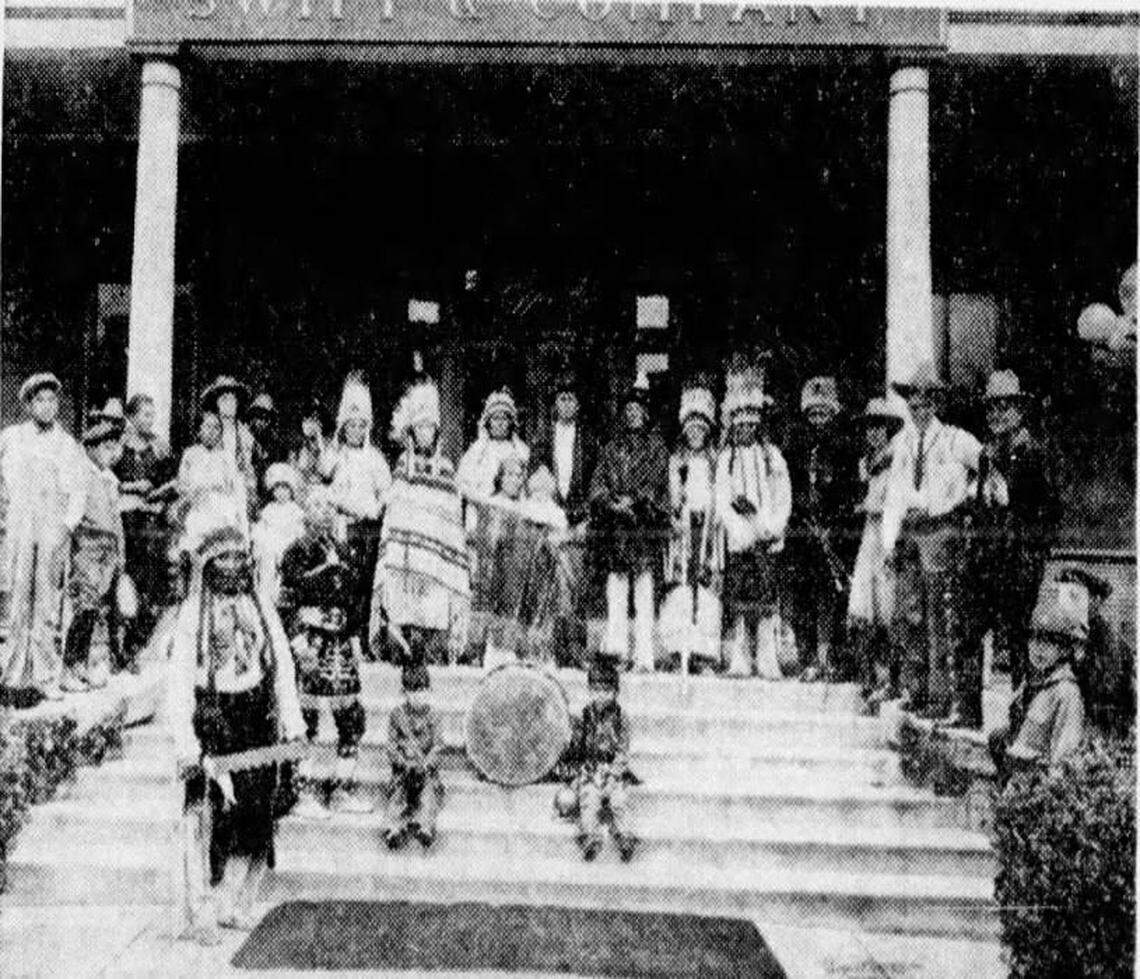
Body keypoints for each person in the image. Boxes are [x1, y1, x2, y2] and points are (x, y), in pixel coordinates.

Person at [167, 521, 305, 941]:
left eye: (237, 557)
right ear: (207, 565)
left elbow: (280, 662)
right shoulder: (195, 612)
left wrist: (293, 721)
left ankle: (238, 901)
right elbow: (178, 679)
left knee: (256, 813)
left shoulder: (261, 605)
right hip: (215, 717)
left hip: (256, 715)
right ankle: (201, 908)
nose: (231, 565)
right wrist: (187, 743)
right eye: (221, 558)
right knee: (209, 815)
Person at [959, 370, 1059, 729]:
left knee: (1020, 645)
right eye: (992, 409)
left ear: (1020, 411)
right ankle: (969, 715)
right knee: (969, 633)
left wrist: (1032, 555)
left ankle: (1022, 725)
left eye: (1006, 407)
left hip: (1018, 563)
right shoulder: (987, 455)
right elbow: (984, 506)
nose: (998, 415)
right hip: (986, 561)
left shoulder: (1032, 453)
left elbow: (1049, 512)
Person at [882, 362, 981, 722]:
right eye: (912, 401)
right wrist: (890, 541)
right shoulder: (904, 442)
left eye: (925, 402)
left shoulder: (956, 439)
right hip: (909, 534)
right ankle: (917, 690)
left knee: (940, 615)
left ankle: (941, 696)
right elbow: (894, 493)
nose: (918, 408)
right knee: (910, 614)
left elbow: (987, 470)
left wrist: (965, 498)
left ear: (936, 403)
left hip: (939, 532)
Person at [370, 368, 470, 667]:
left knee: (434, 609)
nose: (425, 433)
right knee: (405, 609)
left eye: (430, 428)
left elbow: (451, 517)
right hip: (408, 558)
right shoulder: (403, 467)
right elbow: (396, 514)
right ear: (412, 432)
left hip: (437, 559)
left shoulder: (447, 470)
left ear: (436, 433)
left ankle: (433, 654)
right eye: (420, 428)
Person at [279, 488, 370, 816]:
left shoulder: (344, 550)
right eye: (317, 504)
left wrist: (355, 637)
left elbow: (354, 599)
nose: (324, 511)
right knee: (306, 719)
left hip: (341, 644)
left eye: (329, 505)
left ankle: (341, 788)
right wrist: (297, 641)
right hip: (310, 645)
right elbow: (286, 602)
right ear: (305, 510)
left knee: (351, 719)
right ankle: (300, 793)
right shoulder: (294, 553)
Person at [0, 373, 87, 705]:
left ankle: (47, 675)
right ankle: (11, 673)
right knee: (18, 596)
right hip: (20, 526)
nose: (47, 406)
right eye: (40, 400)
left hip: (51, 528)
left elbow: (77, 490)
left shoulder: (65, 444)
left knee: (48, 603)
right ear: (28, 404)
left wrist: (66, 526)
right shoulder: (12, 438)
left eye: (52, 400)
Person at [714, 358, 792, 679]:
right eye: (740, 424)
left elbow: (782, 494)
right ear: (733, 425)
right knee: (741, 600)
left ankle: (767, 657)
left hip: (766, 537)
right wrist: (739, 528)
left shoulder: (771, 456)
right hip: (740, 539)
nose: (745, 429)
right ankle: (741, 658)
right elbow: (722, 499)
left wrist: (771, 525)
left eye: (751, 424)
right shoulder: (726, 459)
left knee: (765, 599)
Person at [589, 374, 670, 672]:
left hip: (643, 529)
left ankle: (645, 655)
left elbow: (659, 485)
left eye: (639, 410)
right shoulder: (611, 448)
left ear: (647, 413)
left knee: (645, 592)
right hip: (617, 530)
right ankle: (617, 651)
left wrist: (634, 502)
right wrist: (611, 503)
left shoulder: (657, 448)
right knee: (617, 591)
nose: (634, 414)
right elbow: (597, 484)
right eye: (629, 410)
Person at [784, 376, 860, 682]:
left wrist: (834, 521)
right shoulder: (795, 450)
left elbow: (850, 492)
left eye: (824, 414)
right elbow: (788, 488)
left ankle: (831, 656)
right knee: (802, 594)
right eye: (813, 415)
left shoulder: (844, 451)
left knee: (831, 596)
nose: (818, 421)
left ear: (834, 415)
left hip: (833, 534)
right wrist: (801, 514)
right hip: (803, 533)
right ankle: (808, 657)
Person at [989, 579, 1087, 788]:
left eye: (1050, 641)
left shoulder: (1066, 692)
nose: (1039, 648)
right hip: (1014, 784)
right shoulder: (1033, 682)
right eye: (1034, 639)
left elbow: (1063, 758)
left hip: (1036, 791)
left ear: (1064, 650)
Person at [321, 372, 392, 656]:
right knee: (340, 583)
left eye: (360, 427)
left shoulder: (375, 459)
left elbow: (386, 492)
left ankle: (362, 638)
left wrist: (377, 508)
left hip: (368, 530)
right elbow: (324, 488)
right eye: (350, 426)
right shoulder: (334, 456)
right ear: (343, 427)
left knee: (364, 584)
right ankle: (339, 638)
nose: (355, 431)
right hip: (341, 526)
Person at [529, 373, 594, 666]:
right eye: (562, 399)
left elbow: (596, 481)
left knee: (576, 586)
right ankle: (554, 650)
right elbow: (535, 479)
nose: (567, 404)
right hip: (552, 520)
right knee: (553, 588)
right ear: (555, 404)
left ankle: (576, 650)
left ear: (579, 405)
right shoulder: (543, 438)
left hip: (578, 519)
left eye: (572, 399)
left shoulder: (588, 440)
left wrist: (584, 517)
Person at [61, 419, 128, 692]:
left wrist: (120, 554)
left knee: (95, 609)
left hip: (107, 551)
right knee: (83, 608)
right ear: (90, 448)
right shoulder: (83, 477)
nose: (111, 454)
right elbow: (72, 519)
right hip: (87, 548)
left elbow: (116, 521)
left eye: (114, 448)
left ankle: (81, 665)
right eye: (106, 448)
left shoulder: (110, 480)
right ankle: (68, 667)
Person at [847, 397, 906, 705]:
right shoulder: (866, 464)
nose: (874, 434)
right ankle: (871, 676)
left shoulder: (896, 459)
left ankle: (892, 678)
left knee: (887, 604)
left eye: (879, 428)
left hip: (887, 534)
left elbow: (896, 500)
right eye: (870, 428)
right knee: (863, 603)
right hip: (870, 534)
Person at [660, 382, 720, 673]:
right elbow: (671, 497)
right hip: (683, 529)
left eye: (701, 429)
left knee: (705, 588)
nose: (695, 434)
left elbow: (720, 494)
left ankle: (704, 653)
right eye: (691, 430)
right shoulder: (677, 461)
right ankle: (677, 650)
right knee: (681, 587)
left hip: (707, 529)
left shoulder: (715, 461)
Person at [115, 393, 174, 667]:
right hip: (126, 521)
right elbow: (107, 480)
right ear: (132, 416)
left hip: (153, 522)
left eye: (153, 414)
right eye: (146, 414)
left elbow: (170, 483)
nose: (151, 420)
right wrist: (132, 487)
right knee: (128, 580)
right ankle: (121, 647)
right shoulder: (118, 447)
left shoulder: (160, 448)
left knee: (153, 583)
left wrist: (160, 499)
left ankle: (140, 645)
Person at [564, 654, 636, 862]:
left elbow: (623, 751)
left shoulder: (621, 718)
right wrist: (586, 771)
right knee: (589, 798)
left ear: (615, 692)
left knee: (619, 800)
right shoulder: (585, 716)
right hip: (592, 768)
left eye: (607, 691)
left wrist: (613, 775)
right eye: (596, 690)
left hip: (613, 769)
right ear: (590, 691)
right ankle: (589, 836)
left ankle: (625, 836)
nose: (601, 696)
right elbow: (579, 747)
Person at [384, 660, 444, 849]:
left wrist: (426, 763)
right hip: (403, 768)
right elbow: (391, 746)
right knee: (397, 793)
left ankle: (426, 827)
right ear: (404, 692)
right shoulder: (397, 715)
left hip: (424, 768)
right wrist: (401, 762)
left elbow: (438, 745)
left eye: (422, 691)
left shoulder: (434, 715)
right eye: (413, 692)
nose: (418, 696)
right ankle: (394, 829)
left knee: (428, 792)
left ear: (429, 691)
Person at [176, 408, 250, 545]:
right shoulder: (190, 454)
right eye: (207, 426)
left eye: (216, 428)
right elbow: (182, 485)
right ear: (199, 431)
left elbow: (235, 489)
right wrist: (193, 494)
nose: (212, 432)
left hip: (222, 509)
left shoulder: (226, 457)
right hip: (197, 507)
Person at [458, 387, 531, 507]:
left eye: (504, 418)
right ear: (488, 422)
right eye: (496, 418)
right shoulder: (476, 451)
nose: (500, 423)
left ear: (511, 422)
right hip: (482, 510)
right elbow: (463, 484)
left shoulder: (521, 451)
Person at [200, 376, 258, 520]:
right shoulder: (210, 431)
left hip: (239, 488)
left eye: (233, 400)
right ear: (217, 403)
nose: (229, 404)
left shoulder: (245, 435)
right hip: (214, 487)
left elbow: (249, 467)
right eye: (224, 399)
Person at [251, 463, 306, 609]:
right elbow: (260, 532)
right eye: (277, 488)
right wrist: (259, 545)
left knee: (288, 562)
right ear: (272, 490)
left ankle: (285, 597)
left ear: (291, 490)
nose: (281, 492)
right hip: (270, 548)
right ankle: (266, 599)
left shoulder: (295, 511)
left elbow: (299, 534)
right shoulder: (268, 510)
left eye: (285, 488)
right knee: (267, 559)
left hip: (288, 548)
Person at [247, 393, 286, 496]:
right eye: (254, 417)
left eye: (262, 417)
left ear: (269, 420)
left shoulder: (277, 446)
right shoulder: (249, 442)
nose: (257, 422)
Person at [289, 401, 329, 502]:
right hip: (302, 492)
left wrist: (320, 442)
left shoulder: (328, 446)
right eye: (306, 420)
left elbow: (326, 471)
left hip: (323, 492)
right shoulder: (297, 447)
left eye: (315, 420)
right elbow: (294, 473)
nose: (310, 424)